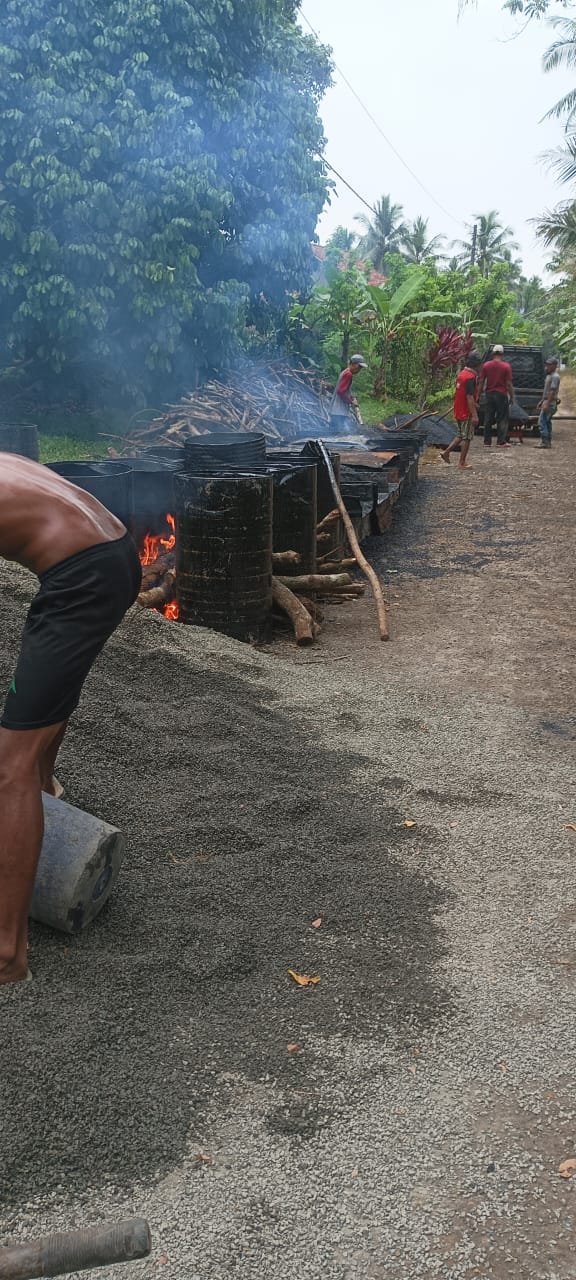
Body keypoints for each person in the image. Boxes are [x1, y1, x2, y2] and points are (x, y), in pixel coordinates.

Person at [0, 455, 142, 985]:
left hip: (82, 580)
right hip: (113, 554)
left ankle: (8, 954)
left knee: (6, 767)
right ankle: (45, 788)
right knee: (41, 704)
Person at [439, 350, 483, 470]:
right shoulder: (470, 377)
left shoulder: (462, 374)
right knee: (467, 437)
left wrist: (474, 404)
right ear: (477, 364)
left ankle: (446, 452)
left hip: (459, 409)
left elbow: (463, 394)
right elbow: (469, 396)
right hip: (466, 412)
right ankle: (462, 462)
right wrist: (474, 415)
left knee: (460, 434)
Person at [478, 344, 514, 449]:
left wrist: (478, 394)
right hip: (501, 394)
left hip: (489, 394)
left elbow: (481, 381)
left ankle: (487, 442)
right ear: (502, 354)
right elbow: (508, 383)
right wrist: (511, 396)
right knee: (502, 418)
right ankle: (500, 442)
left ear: (493, 353)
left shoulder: (486, 365)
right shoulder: (506, 366)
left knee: (488, 417)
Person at [329, 354, 367, 434]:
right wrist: (351, 401)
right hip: (339, 411)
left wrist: (351, 396)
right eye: (359, 367)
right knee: (338, 435)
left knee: (334, 434)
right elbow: (341, 391)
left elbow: (344, 389)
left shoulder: (345, 372)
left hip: (336, 411)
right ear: (353, 364)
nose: (359, 370)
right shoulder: (348, 374)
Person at [536, 356, 561, 450]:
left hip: (550, 403)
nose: (547, 367)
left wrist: (547, 403)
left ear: (554, 366)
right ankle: (547, 441)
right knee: (547, 422)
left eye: (549, 365)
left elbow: (552, 391)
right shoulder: (549, 376)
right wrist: (542, 401)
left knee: (541, 422)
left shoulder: (555, 377)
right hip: (547, 401)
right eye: (547, 365)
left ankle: (545, 442)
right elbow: (547, 391)